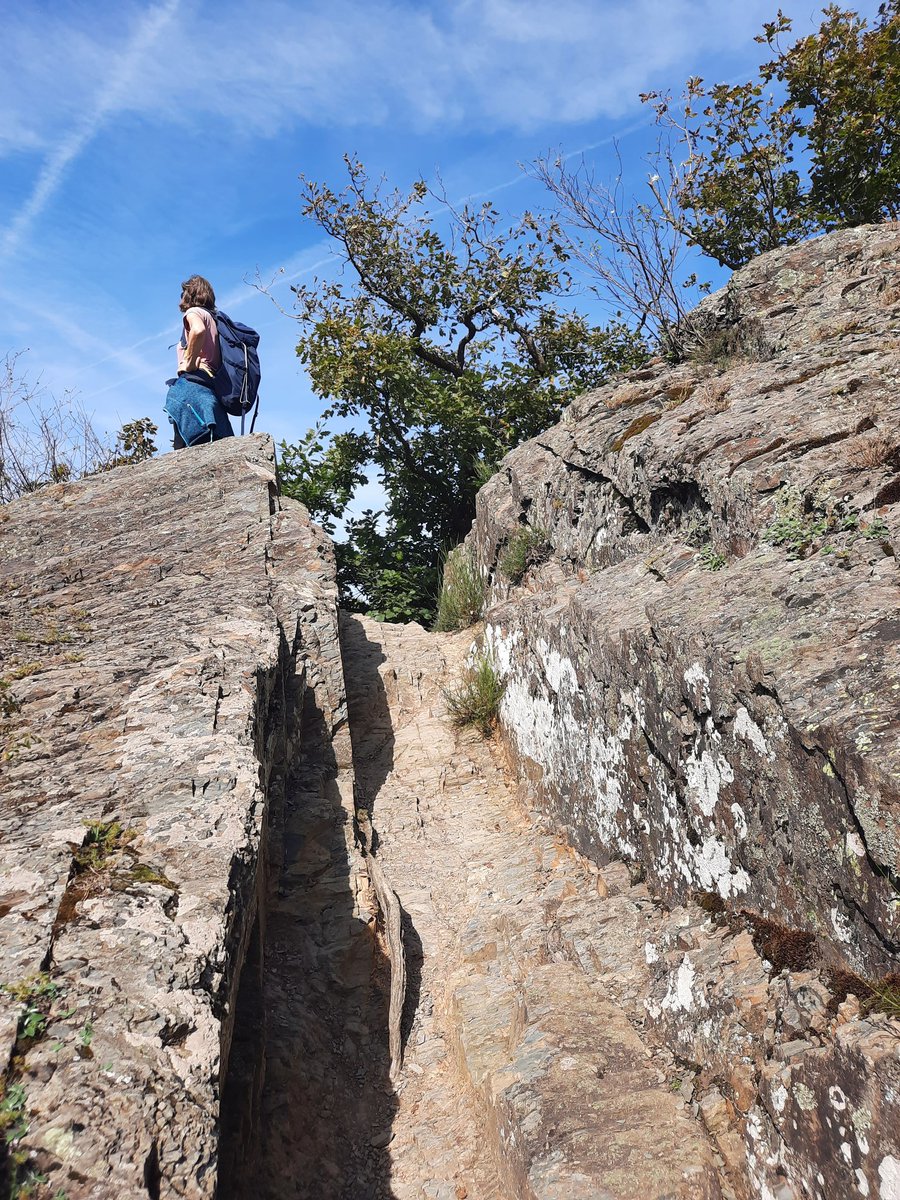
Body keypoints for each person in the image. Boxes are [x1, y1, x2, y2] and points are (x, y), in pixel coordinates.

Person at [164, 275, 234, 449]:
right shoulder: (214, 320)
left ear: (190, 294)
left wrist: (189, 362)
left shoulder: (194, 312)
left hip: (192, 386)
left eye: (183, 293)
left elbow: (198, 330)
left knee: (182, 451)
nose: (181, 298)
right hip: (210, 389)